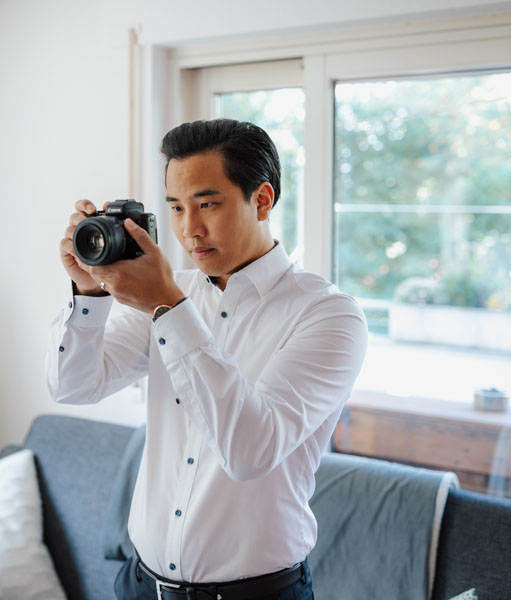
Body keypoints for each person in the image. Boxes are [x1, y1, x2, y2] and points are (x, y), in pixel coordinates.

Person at [47, 119, 367, 600]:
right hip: (138, 585)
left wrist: (170, 308)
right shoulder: (171, 293)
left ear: (261, 200)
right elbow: (73, 386)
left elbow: (248, 451)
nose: (189, 230)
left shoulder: (328, 316)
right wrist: (88, 294)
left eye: (207, 205)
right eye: (176, 208)